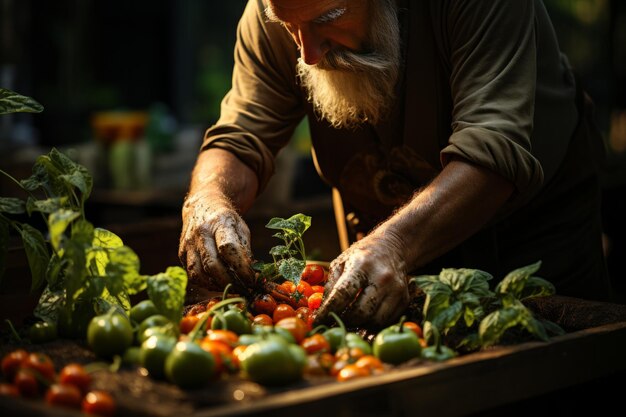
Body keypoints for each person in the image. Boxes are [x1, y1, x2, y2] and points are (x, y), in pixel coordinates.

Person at [178, 0, 613, 328]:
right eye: (289, 27)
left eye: (327, 19)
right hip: (382, 243)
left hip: (531, 236)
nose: (307, 54)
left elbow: (493, 149)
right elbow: (241, 135)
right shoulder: (283, 8)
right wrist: (207, 198)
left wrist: (394, 246)